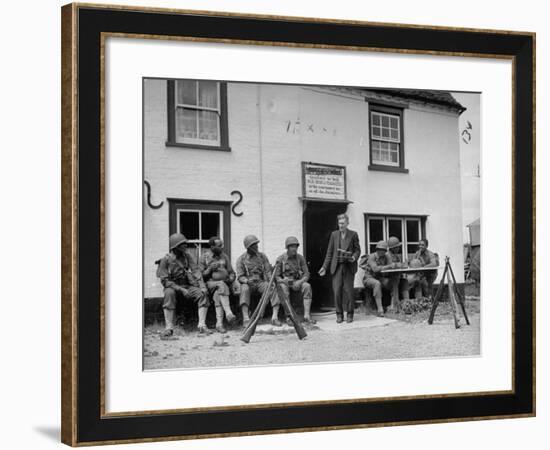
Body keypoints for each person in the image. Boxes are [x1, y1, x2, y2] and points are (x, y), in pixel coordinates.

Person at [156, 233, 210, 337]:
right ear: (175, 247)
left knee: (202, 294)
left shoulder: (187, 256)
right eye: (182, 244)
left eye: (185, 244)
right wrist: (181, 289)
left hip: (186, 284)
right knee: (169, 294)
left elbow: (196, 271)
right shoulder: (165, 260)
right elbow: (165, 281)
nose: (185, 246)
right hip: (173, 286)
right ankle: (169, 328)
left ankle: (202, 326)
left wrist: (202, 286)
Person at [318, 213, 361, 323]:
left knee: (349, 291)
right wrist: (324, 267)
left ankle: (350, 314)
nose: (340, 225)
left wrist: (353, 257)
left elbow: (357, 250)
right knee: (337, 291)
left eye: (342, 223)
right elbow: (329, 252)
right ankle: (339, 314)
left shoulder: (353, 234)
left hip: (348, 267)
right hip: (336, 267)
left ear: (347, 223)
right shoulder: (334, 235)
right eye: (339, 223)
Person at [236, 235, 282, 326]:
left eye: (256, 244)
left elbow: (268, 271)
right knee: (244, 289)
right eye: (254, 245)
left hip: (260, 282)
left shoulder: (262, 256)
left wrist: (270, 282)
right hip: (248, 283)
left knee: (272, 288)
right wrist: (246, 281)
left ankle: (274, 317)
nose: (256, 247)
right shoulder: (241, 259)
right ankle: (245, 318)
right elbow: (240, 276)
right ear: (248, 247)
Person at [199, 236, 239, 333]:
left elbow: (232, 272)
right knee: (221, 285)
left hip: (223, 285)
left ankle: (219, 324)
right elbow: (200, 276)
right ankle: (228, 313)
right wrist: (210, 269)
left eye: (222, 245)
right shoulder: (204, 257)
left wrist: (230, 279)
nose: (222, 247)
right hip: (209, 283)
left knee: (218, 295)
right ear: (212, 247)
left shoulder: (224, 256)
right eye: (219, 245)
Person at [275, 236, 316, 325]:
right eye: (292, 246)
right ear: (287, 248)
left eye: (296, 246)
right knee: (283, 289)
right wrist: (283, 280)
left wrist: (300, 282)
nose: (294, 249)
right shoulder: (281, 259)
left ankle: (306, 316)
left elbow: (306, 274)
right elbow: (276, 277)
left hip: (297, 281)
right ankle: (289, 317)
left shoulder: (300, 258)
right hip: (286, 283)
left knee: (307, 286)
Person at [359, 240, 399, 316]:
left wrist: (394, 265)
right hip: (369, 278)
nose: (382, 252)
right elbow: (375, 269)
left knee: (393, 281)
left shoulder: (386, 256)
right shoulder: (372, 257)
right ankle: (380, 310)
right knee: (377, 284)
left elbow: (391, 265)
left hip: (380, 277)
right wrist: (388, 266)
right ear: (377, 250)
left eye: (384, 250)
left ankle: (393, 305)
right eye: (380, 249)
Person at [387, 236, 411, 309]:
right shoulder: (387, 255)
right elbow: (392, 265)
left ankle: (407, 304)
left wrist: (404, 264)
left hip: (395, 277)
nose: (398, 248)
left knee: (404, 281)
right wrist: (402, 265)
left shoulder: (396, 256)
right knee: (395, 281)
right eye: (397, 247)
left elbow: (399, 265)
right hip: (386, 278)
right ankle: (394, 304)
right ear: (392, 248)